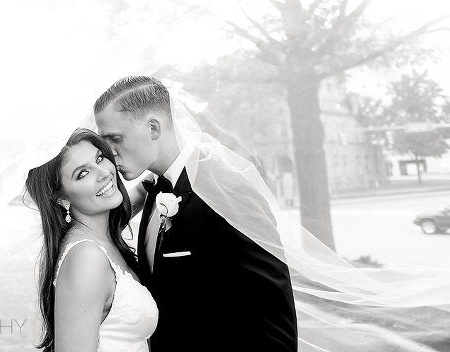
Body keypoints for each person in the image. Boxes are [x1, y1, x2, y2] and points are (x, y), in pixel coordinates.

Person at [94, 75, 298, 351]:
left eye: (115, 139)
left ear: (153, 128)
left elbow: (275, 326)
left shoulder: (229, 191)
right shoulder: (152, 191)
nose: (109, 153)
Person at [24, 128, 158, 352]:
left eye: (99, 158)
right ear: (60, 197)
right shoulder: (87, 258)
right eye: (82, 173)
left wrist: (171, 168)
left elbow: (136, 196)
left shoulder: (101, 234)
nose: (104, 173)